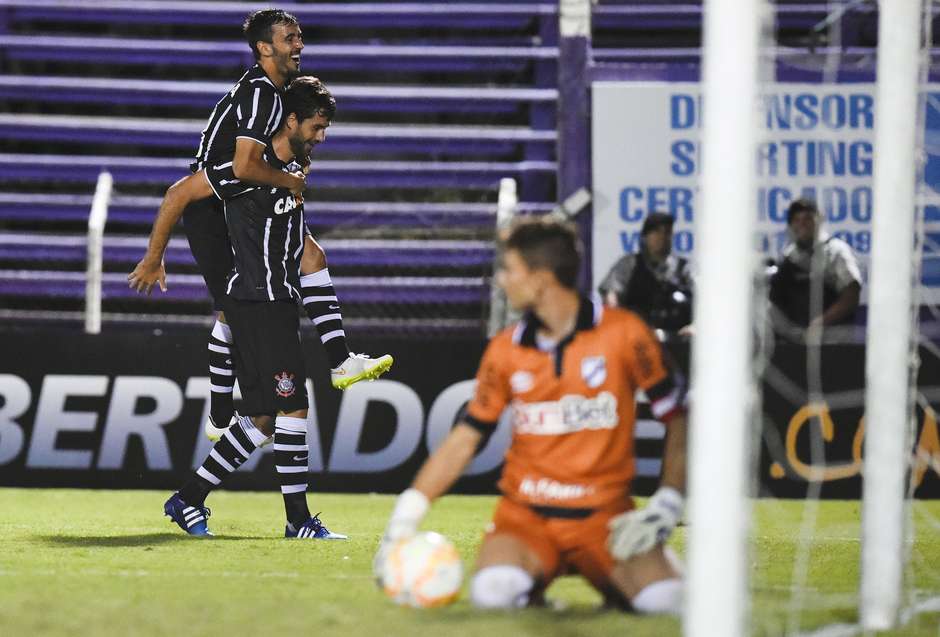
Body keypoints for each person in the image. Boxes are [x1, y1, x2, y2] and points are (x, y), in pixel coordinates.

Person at [374, 218, 687, 613]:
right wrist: (406, 516)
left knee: (667, 602)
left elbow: (679, 416)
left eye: (510, 269)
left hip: (607, 518)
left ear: (540, 280)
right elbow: (467, 436)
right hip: (526, 520)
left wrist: (667, 503)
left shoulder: (625, 333)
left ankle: (622, 587)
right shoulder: (505, 350)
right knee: (494, 593)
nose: (502, 280)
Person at [128, 9, 392, 444]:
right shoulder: (262, 95)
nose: (299, 45)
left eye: (300, 36)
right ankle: (219, 413)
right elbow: (219, 176)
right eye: (290, 38)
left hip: (244, 191)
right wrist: (153, 258)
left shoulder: (279, 91)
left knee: (312, 256)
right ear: (264, 48)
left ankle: (341, 360)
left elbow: (269, 154)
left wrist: (293, 164)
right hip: (215, 202)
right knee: (235, 306)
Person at [163, 76, 346, 539]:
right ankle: (298, 521)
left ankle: (188, 499)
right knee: (294, 408)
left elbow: (303, 249)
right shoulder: (244, 172)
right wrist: (153, 257)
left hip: (273, 302)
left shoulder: (293, 174)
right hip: (259, 302)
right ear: (291, 121)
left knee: (265, 416)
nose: (322, 137)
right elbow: (181, 193)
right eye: (317, 127)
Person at [769, 198, 862, 335]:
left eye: (807, 219)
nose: (802, 224)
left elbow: (851, 293)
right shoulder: (789, 256)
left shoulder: (835, 251)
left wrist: (820, 323)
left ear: (819, 221)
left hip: (834, 339)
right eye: (796, 219)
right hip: (795, 340)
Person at [598, 212, 694, 335]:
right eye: (657, 232)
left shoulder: (684, 268)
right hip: (636, 338)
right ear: (645, 236)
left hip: (678, 338)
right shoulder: (629, 264)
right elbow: (611, 297)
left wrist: (695, 326)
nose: (662, 237)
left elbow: (707, 300)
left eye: (667, 232)